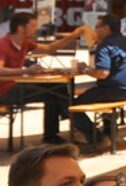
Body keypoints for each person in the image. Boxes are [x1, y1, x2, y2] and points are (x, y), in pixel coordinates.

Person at [0, 12, 92, 144]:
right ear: (21, 28)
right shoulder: (3, 44)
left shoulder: (25, 43)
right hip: (4, 91)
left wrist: (72, 36)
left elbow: (49, 48)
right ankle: (77, 128)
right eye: (32, 26)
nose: (36, 29)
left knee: (57, 88)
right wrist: (25, 71)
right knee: (55, 93)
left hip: (16, 85)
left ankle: (56, 132)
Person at [67, 14, 126, 152]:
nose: (95, 30)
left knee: (72, 106)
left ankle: (98, 139)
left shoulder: (105, 46)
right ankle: (109, 133)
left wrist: (84, 69)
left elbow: (102, 74)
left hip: (114, 91)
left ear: (106, 28)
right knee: (98, 95)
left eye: (97, 27)